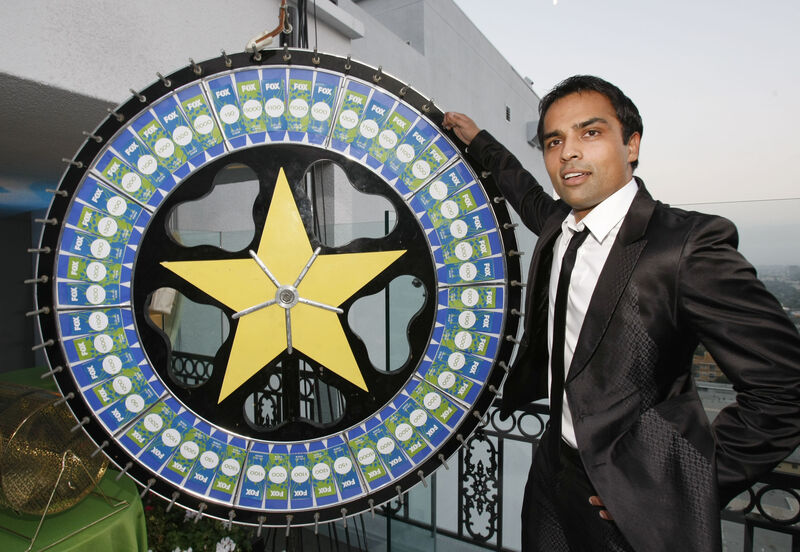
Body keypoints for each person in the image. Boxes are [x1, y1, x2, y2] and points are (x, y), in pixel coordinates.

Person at [443, 75, 800, 551]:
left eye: (590, 133)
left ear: (631, 145)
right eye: (554, 141)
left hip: (633, 498)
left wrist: (677, 491)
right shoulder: (557, 224)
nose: (569, 152)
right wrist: (477, 140)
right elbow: (519, 186)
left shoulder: (685, 246)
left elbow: (785, 389)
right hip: (552, 470)